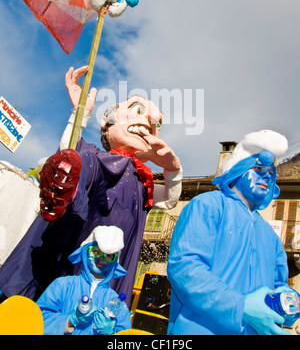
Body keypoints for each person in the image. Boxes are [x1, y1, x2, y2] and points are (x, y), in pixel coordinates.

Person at [0, 66, 182, 306]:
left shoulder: (143, 181)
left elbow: (169, 200)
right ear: (107, 124)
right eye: (137, 109)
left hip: (109, 276)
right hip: (73, 262)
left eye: (155, 122)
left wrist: (173, 169)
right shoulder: (96, 159)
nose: (148, 122)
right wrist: (79, 114)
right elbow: (73, 157)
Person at [167, 129, 299, 335]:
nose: (266, 175)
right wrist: (239, 307)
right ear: (238, 170)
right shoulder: (207, 205)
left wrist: (286, 301)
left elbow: (277, 284)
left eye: (271, 172)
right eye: (258, 168)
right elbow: (186, 268)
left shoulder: (271, 236)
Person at [36, 225, 132, 335]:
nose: (101, 258)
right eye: (95, 252)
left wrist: (112, 332)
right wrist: (69, 322)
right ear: (85, 252)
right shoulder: (62, 285)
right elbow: (36, 319)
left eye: (108, 255)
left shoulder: (117, 303)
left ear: (115, 261)